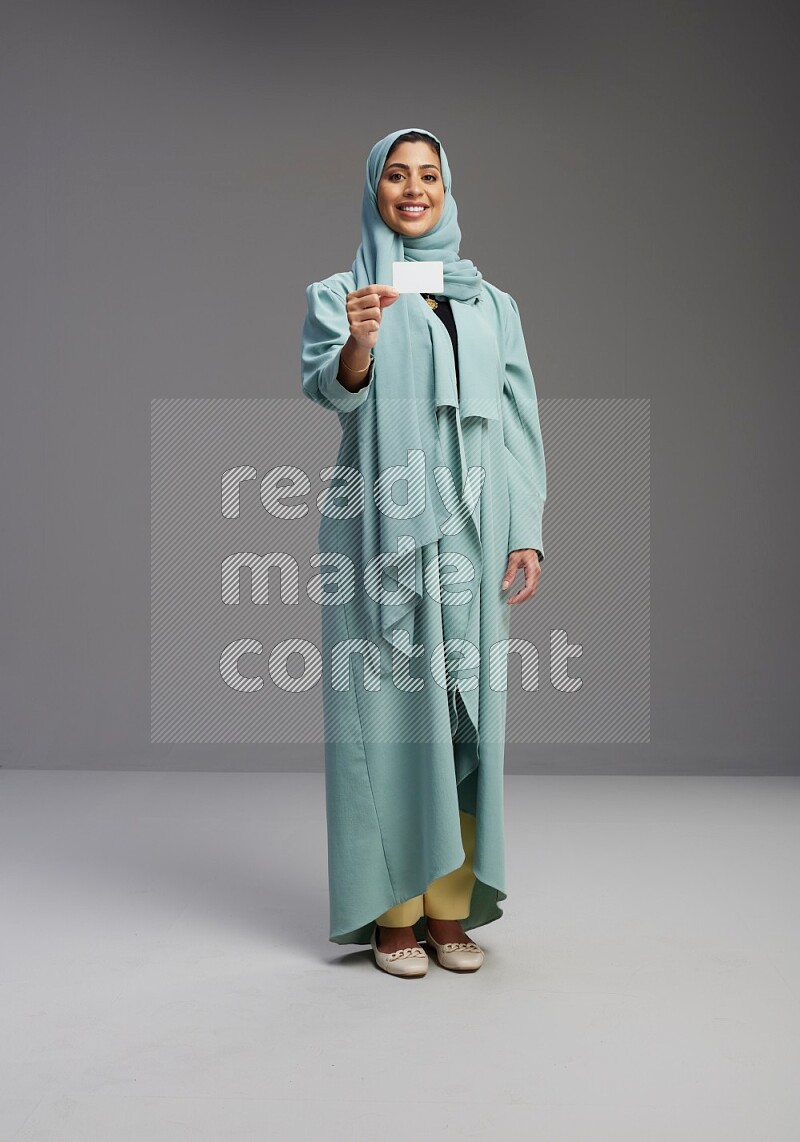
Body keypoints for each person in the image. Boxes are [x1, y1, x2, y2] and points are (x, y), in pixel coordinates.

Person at [300, 127, 546, 977]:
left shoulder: (492, 304)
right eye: (397, 176)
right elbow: (329, 389)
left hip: (475, 537)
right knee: (388, 722)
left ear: (448, 189)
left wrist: (527, 530)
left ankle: (448, 910)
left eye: (429, 175)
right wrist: (361, 342)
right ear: (374, 190)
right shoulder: (344, 292)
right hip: (379, 536)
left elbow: (517, 423)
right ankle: (391, 915)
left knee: (462, 721)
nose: (414, 189)